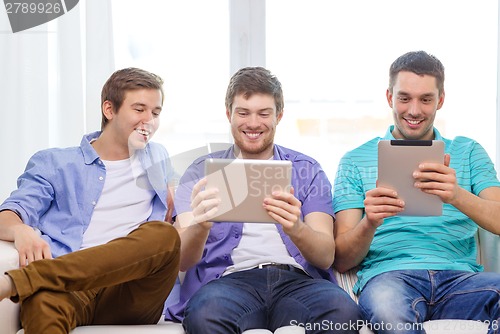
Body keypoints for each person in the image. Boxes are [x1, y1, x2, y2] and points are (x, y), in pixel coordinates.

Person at [165, 66, 361, 334]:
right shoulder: (200, 172)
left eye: (263, 113)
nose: (253, 123)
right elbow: (181, 262)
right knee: (204, 315)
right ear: (228, 114)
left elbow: (326, 256)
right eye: (243, 113)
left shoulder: (307, 169)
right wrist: (201, 225)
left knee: (344, 312)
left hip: (298, 282)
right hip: (228, 283)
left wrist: (296, 228)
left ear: (278, 116)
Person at [0, 67, 180, 334]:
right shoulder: (56, 163)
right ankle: (32, 283)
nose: (149, 121)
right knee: (40, 300)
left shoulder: (158, 157)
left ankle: (17, 283)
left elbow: (175, 216)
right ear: (109, 109)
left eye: (155, 113)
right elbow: (10, 213)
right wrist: (20, 229)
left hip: (132, 291)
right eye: (139, 109)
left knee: (163, 235)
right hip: (70, 286)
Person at [333, 50, 500, 334]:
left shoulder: (468, 151)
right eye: (404, 98)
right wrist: (370, 222)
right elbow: (341, 258)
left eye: (425, 99)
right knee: (389, 314)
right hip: (390, 278)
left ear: (441, 100)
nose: (414, 110)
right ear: (389, 98)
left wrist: (455, 195)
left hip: (462, 280)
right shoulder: (355, 160)